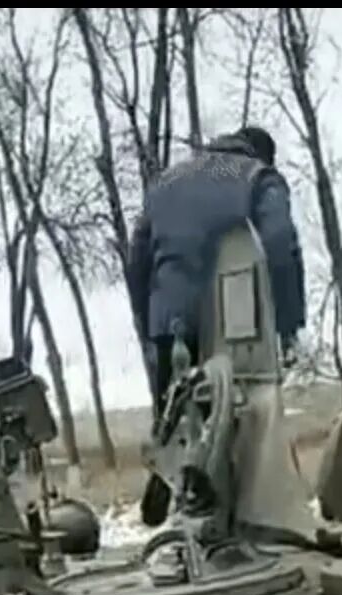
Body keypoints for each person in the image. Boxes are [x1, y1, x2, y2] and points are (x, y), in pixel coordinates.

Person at [127, 126, 306, 526]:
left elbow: (137, 260)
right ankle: (236, 520)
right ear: (263, 154)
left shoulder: (166, 182)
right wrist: (288, 323)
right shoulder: (258, 177)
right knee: (240, 423)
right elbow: (280, 243)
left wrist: (150, 322)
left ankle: (179, 491)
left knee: (180, 418)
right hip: (233, 322)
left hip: (169, 322)